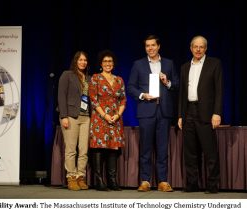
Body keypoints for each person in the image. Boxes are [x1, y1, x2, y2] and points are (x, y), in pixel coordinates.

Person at [128, 35, 179, 192]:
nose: (150, 48)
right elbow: (131, 87)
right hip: (146, 110)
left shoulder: (169, 64)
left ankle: (163, 181)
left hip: (163, 112)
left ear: (158, 46)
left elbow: (176, 85)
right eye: (147, 46)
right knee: (146, 148)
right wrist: (143, 95)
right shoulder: (138, 64)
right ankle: (145, 180)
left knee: (163, 148)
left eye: (152, 45)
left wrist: (167, 82)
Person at [178, 35, 223, 194]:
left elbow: (219, 91)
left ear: (205, 49)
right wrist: (180, 115)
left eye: (201, 47)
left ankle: (212, 185)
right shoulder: (184, 67)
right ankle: (192, 184)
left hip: (206, 112)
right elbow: (182, 94)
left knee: (210, 152)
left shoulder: (214, 64)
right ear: (191, 48)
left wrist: (217, 112)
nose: (198, 49)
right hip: (188, 111)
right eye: (195, 47)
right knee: (190, 152)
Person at [89, 50, 126, 191]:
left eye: (110, 61)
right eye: (105, 62)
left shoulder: (119, 80)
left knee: (113, 148)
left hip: (115, 119)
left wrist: (117, 116)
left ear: (114, 64)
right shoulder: (95, 78)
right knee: (98, 148)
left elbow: (123, 100)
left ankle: (112, 180)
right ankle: (99, 180)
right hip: (100, 118)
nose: (108, 64)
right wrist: (105, 116)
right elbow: (93, 99)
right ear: (101, 64)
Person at [58, 51, 91, 191]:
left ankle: (80, 177)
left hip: (86, 117)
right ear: (76, 61)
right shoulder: (67, 75)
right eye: (80, 60)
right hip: (71, 116)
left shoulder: (89, 78)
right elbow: (61, 95)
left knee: (83, 150)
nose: (83, 62)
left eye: (85, 60)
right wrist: (63, 116)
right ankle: (71, 177)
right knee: (71, 150)